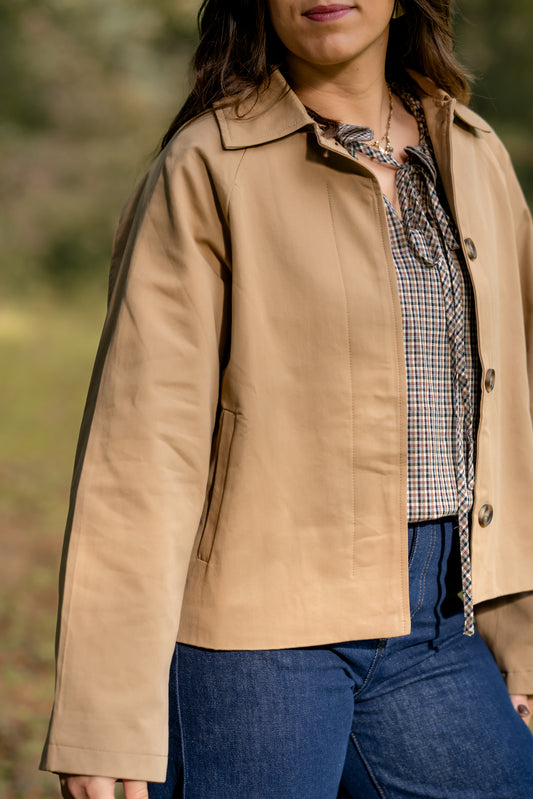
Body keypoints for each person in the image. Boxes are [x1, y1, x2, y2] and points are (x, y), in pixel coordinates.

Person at [40, 0, 533, 797]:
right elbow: (142, 451)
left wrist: (520, 634)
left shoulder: (474, 155)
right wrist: (106, 712)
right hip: (251, 634)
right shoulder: (207, 164)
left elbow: (514, 412)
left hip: (440, 624)